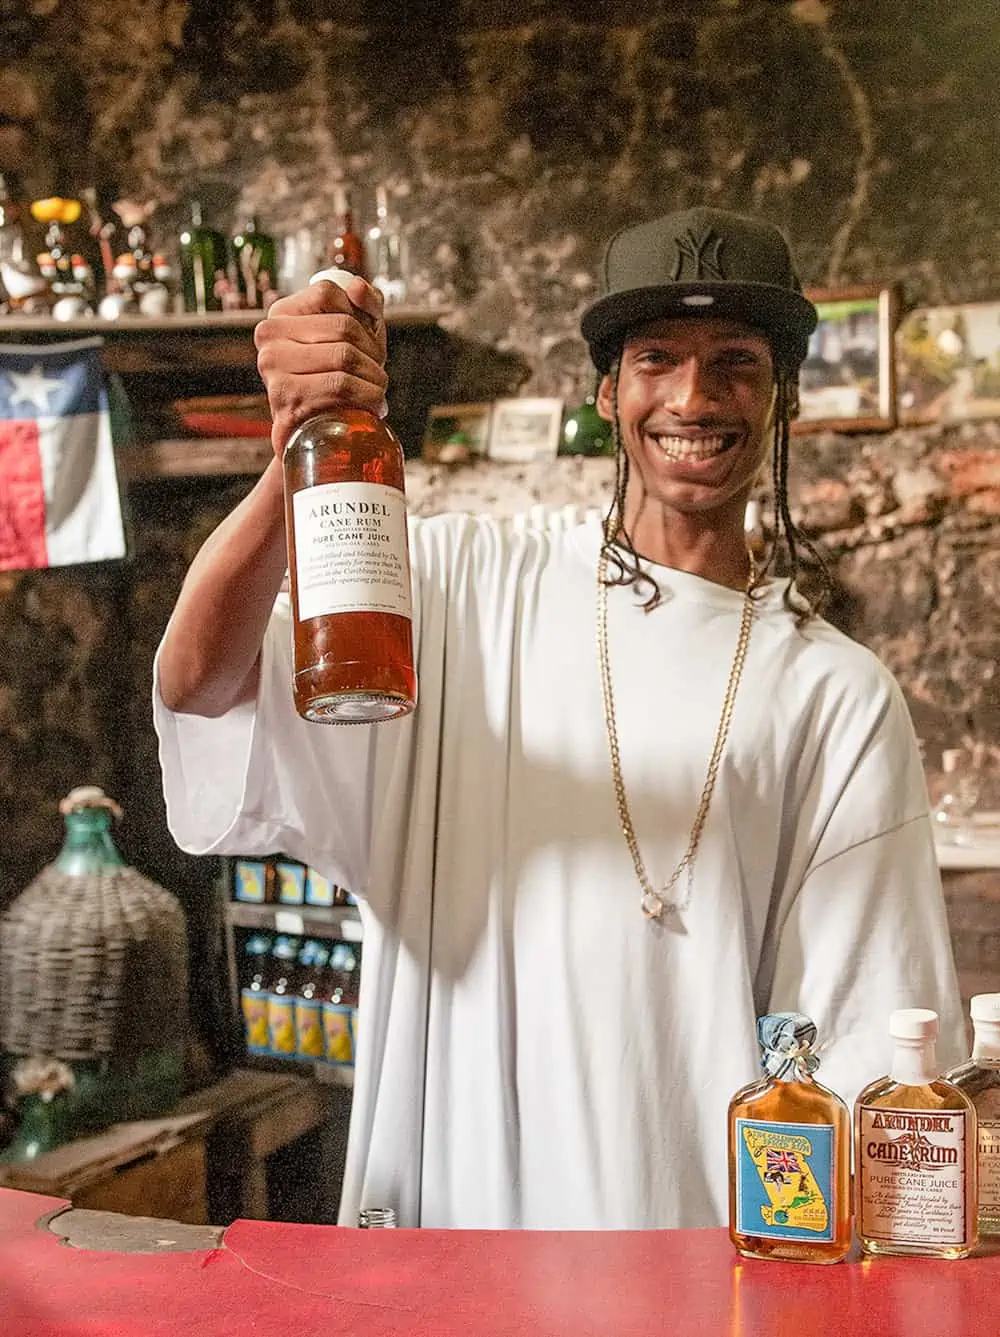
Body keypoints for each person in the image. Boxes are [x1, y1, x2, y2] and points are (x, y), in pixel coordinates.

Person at [154, 205, 965, 1230]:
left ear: (781, 397)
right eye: (656, 358)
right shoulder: (461, 588)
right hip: (453, 1223)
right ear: (605, 392)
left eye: (736, 364)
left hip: (685, 1241)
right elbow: (198, 681)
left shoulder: (835, 694)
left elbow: (861, 1039)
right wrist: (299, 445)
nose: (692, 397)